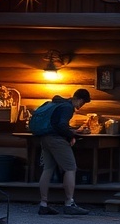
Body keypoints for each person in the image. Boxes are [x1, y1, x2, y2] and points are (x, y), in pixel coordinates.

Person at [37, 88, 92, 216]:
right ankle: (69, 203)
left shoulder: (58, 103)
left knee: (48, 169)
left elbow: (57, 123)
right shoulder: (68, 108)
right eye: (82, 103)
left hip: (45, 138)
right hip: (56, 140)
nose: (81, 106)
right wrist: (71, 136)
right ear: (79, 99)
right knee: (70, 168)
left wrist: (71, 131)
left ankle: (43, 204)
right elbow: (61, 126)